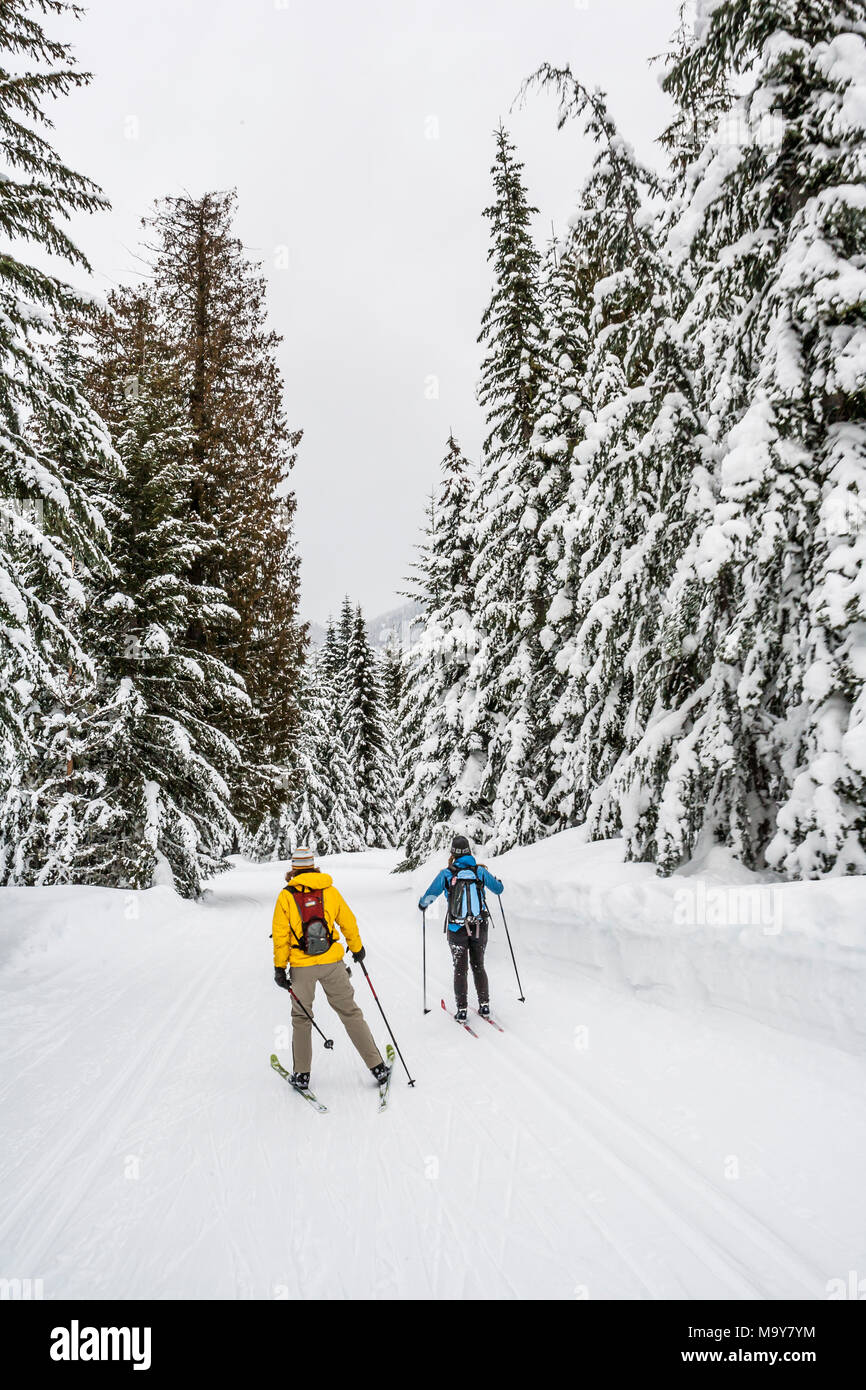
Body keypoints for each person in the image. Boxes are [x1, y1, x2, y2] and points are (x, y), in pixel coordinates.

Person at [272, 847, 390, 1089]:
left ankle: (302, 1074)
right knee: (350, 1013)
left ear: (294, 868)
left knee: (302, 1018)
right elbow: (348, 921)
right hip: (332, 963)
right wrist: (357, 948)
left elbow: (281, 936)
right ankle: (377, 1067)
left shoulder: (285, 896)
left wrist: (279, 968)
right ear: (314, 865)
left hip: (301, 967)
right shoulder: (330, 890)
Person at [418, 834, 503, 1023]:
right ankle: (485, 1006)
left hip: (456, 928)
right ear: (469, 851)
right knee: (478, 965)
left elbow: (430, 896)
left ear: (453, 853)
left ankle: (462, 1010)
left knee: (460, 968)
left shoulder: (447, 874)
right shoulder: (479, 871)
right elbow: (498, 890)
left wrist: (423, 904)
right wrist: (499, 882)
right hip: (480, 926)